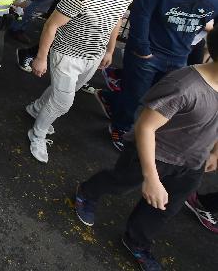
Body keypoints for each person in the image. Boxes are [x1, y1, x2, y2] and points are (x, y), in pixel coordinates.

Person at [74, 29, 218, 271]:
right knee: (120, 182)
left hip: (192, 163)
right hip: (151, 155)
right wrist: (151, 177)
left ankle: (136, 241)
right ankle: (87, 192)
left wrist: (214, 152)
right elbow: (145, 128)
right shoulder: (185, 85)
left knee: (165, 208)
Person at [26, 0, 157, 163]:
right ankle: (37, 133)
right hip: (66, 54)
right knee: (63, 102)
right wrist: (41, 58)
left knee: (64, 92)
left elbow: (116, 20)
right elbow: (51, 25)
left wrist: (109, 50)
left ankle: (37, 108)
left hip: (94, 55)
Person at [98, 0, 218, 151]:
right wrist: (143, 51)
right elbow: (140, 16)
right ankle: (120, 127)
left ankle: (110, 98)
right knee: (135, 95)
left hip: (180, 55)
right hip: (147, 53)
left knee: (159, 98)